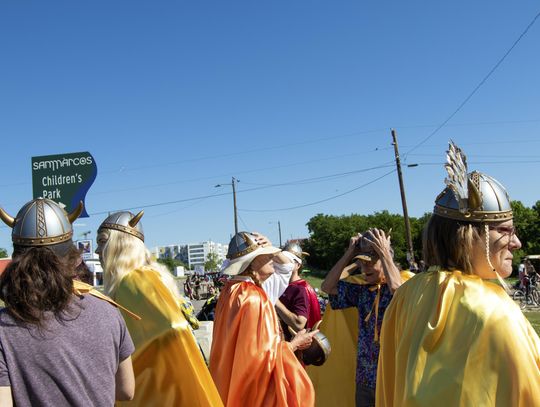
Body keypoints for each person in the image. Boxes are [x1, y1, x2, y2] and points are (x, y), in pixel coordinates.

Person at [376, 142, 540, 406]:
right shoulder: (495, 311)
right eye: (504, 230)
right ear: (469, 236)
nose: (517, 242)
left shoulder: (406, 293)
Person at [0, 198, 135, 406]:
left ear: (17, 258)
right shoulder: (108, 311)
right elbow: (126, 390)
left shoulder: (4, 327)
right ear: (72, 254)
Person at [96, 210, 223, 407]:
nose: (97, 251)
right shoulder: (138, 279)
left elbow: (173, 329)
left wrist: (139, 366)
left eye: (103, 241)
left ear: (120, 244)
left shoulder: (135, 280)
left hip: (155, 393)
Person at [209, 231, 317, 407]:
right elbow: (263, 360)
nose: (272, 258)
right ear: (255, 262)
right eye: (267, 255)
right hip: (251, 395)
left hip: (230, 385)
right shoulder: (254, 297)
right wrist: (295, 344)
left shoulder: (229, 290)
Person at [319, 228, 412, 407]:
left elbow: (399, 292)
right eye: (362, 263)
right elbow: (327, 286)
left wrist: (384, 252)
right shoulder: (362, 291)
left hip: (393, 377)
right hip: (365, 379)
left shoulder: (405, 285)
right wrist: (350, 253)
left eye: (370, 262)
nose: (364, 267)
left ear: (385, 261)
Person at [275, 241, 321, 342]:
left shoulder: (300, 288)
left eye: (289, 260)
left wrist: (274, 300)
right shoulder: (285, 285)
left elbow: (299, 324)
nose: (283, 263)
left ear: (298, 265)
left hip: (296, 350)